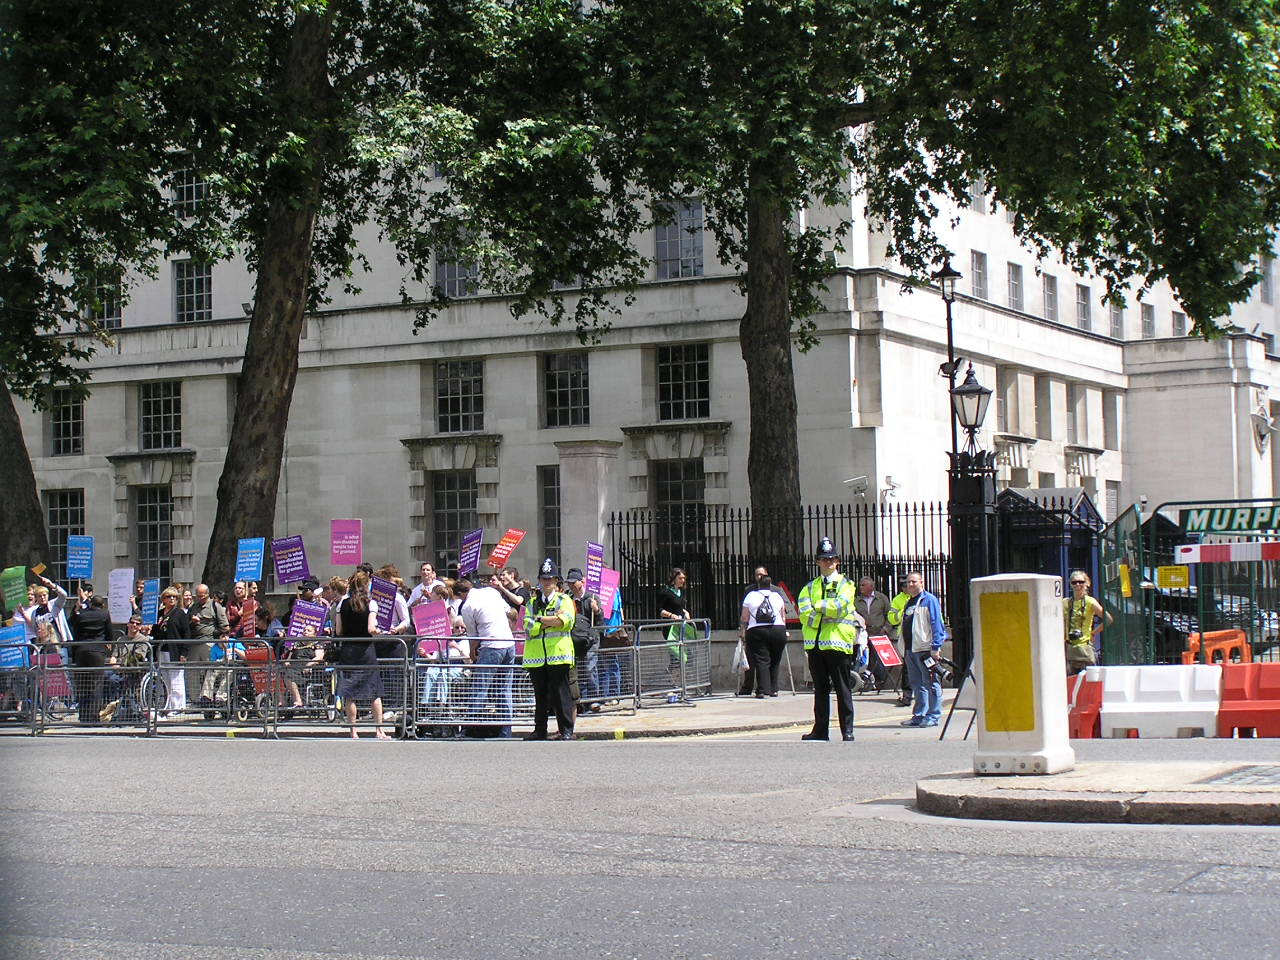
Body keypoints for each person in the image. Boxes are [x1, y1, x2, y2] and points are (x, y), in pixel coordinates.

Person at [797, 537, 865, 741]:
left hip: (838, 643)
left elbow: (842, 606)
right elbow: (803, 612)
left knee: (843, 688)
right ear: (817, 562)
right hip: (815, 645)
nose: (827, 562)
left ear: (837, 561)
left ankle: (848, 730)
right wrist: (825, 610)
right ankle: (820, 730)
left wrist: (818, 608)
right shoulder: (810, 587)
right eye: (823, 559)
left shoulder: (847, 584)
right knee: (820, 690)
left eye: (831, 559)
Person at [522, 558, 577, 740]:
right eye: (544, 578)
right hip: (536, 657)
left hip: (558, 654)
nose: (547, 582)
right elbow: (528, 627)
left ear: (556, 581)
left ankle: (566, 730)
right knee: (540, 696)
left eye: (550, 578)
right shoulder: (532, 603)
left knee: (561, 694)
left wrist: (540, 620)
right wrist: (547, 621)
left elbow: (566, 622)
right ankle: (540, 730)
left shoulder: (564, 600)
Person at [333, 570, 391, 740]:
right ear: (366, 585)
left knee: (350, 694)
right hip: (366, 651)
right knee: (374, 692)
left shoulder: (342, 604)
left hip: (349, 650)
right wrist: (381, 632)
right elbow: (371, 629)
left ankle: (353, 731)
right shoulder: (371, 603)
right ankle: (379, 731)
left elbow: (338, 630)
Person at [459, 576, 517, 738]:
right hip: (508, 644)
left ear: (461, 594)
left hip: (491, 646)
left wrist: (472, 654)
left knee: (480, 688)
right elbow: (510, 612)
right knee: (504, 690)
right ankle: (506, 731)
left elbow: (473, 636)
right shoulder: (491, 592)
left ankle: (469, 729)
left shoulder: (467, 606)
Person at [900, 570, 947, 727]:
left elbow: (937, 624)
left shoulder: (929, 600)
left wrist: (936, 647)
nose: (910, 584)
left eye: (914, 581)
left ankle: (933, 716)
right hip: (910, 649)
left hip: (925, 649)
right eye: (908, 582)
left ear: (922, 583)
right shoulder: (909, 602)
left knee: (931, 682)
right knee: (917, 683)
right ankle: (919, 715)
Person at [739, 573, 787, 697]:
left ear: (759, 584)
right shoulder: (777, 596)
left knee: (761, 659)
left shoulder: (751, 595)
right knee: (775, 660)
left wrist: (743, 629)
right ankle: (773, 689)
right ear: (770, 585)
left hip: (757, 630)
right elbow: (783, 615)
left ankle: (762, 690)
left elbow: (745, 617)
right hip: (778, 629)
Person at [68, 592, 112, 723]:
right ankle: (93, 716)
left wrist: (75, 655)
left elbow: (76, 634)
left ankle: (83, 715)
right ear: (102, 604)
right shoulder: (105, 614)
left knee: (82, 684)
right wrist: (108, 647)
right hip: (97, 651)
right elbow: (109, 633)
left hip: (81, 651)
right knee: (96, 684)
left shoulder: (82, 615)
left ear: (91, 603)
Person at [565, 567, 601, 709]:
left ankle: (593, 699)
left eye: (574, 582)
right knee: (576, 671)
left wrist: (596, 610)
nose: (571, 585)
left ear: (582, 582)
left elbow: (600, 620)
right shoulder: (567, 599)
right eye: (569, 583)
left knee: (590, 667)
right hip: (574, 639)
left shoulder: (592, 597)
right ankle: (580, 702)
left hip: (590, 639)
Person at [153, 587, 192, 716]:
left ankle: (178, 707)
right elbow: (155, 631)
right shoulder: (159, 614)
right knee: (166, 679)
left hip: (175, 650)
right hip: (161, 650)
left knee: (176, 679)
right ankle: (169, 705)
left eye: (174, 597)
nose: (172, 599)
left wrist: (184, 653)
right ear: (163, 599)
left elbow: (186, 633)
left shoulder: (180, 613)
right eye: (169, 597)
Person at [190, 583, 230, 708]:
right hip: (194, 643)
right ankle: (196, 700)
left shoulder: (215, 606)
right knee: (193, 673)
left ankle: (211, 699)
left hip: (209, 642)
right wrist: (192, 621)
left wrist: (216, 635)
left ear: (207, 594)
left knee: (210, 672)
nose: (200, 598)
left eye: (202, 596)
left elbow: (225, 627)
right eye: (198, 596)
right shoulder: (193, 607)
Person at [1064, 570, 1112, 674]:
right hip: (1070, 652)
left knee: (1089, 683)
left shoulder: (1090, 602)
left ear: (1087, 584)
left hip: (1085, 651)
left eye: (1081, 582)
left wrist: (1094, 633)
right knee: (1071, 686)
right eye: (1074, 582)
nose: (1077, 584)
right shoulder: (1065, 603)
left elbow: (1108, 619)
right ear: (1070, 584)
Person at [855, 576, 895, 692]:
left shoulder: (881, 598)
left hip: (879, 633)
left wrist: (886, 628)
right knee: (866, 659)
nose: (860, 587)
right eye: (860, 584)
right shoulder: (857, 601)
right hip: (864, 633)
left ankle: (880, 681)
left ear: (871, 586)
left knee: (879, 658)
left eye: (863, 585)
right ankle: (867, 681)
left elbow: (889, 614)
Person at [737, 566, 769, 696]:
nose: (759, 577)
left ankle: (766, 687)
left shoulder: (774, 590)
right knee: (749, 658)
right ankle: (747, 686)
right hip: (752, 628)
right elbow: (744, 611)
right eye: (757, 575)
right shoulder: (749, 590)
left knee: (765, 660)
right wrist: (742, 629)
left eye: (762, 575)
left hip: (769, 629)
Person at [887, 577, 912, 707]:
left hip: (921, 637)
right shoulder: (898, 600)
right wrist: (903, 612)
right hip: (905, 636)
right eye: (904, 585)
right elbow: (892, 619)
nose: (906, 587)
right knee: (907, 667)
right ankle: (907, 695)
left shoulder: (924, 597)